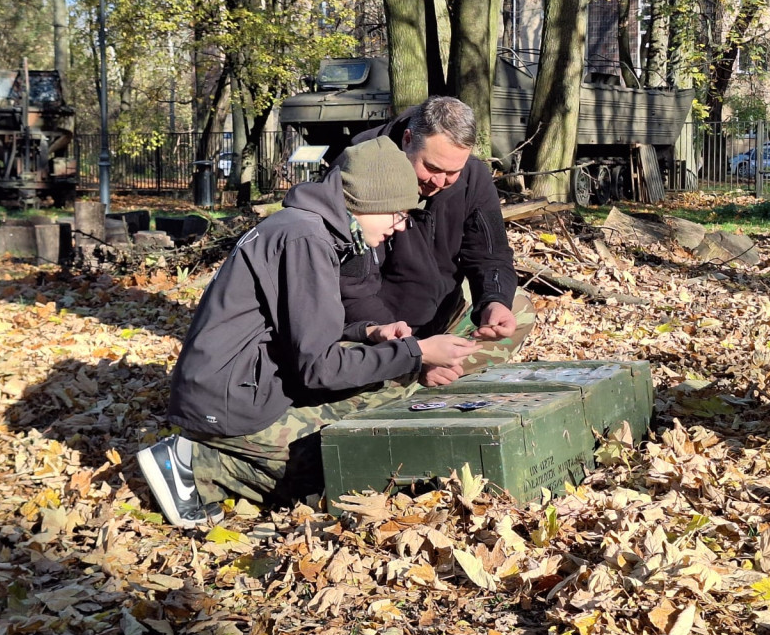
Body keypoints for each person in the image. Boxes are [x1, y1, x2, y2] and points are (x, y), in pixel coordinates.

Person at [137, 136, 477, 528]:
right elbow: (320, 367)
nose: (400, 227)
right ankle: (192, 465)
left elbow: (305, 330)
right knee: (328, 467)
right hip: (228, 400)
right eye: (397, 213)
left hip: (235, 384)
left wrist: (369, 332)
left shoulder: (306, 227)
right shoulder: (307, 238)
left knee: (373, 401)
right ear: (369, 200)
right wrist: (417, 352)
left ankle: (211, 463)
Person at [339, 95, 535, 388]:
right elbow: (350, 289)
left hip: (442, 317)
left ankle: (424, 372)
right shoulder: (360, 167)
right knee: (350, 356)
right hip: (381, 330)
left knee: (517, 310)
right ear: (408, 139)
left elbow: (491, 254)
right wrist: (415, 354)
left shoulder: (474, 174)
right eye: (431, 168)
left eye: (452, 172)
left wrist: (493, 301)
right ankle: (406, 374)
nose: (440, 182)